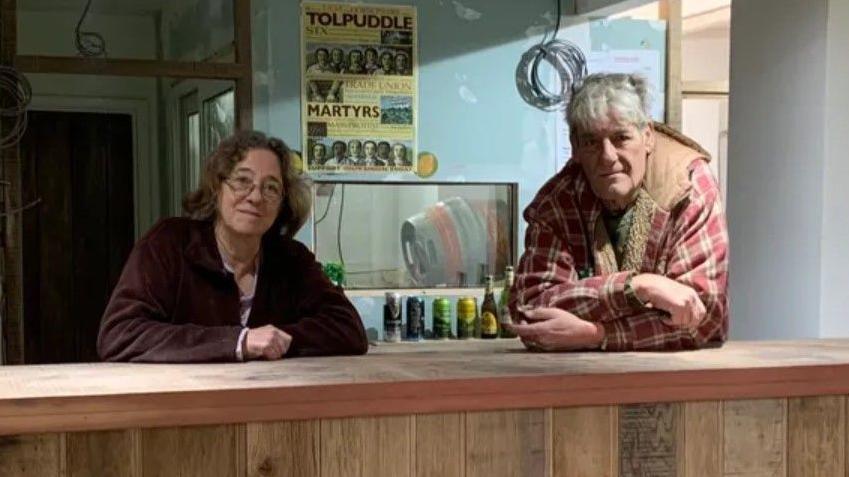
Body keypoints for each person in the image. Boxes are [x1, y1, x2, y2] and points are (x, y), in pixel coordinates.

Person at [97, 131, 368, 362]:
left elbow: (349, 329)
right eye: (242, 181)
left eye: (271, 188)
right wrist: (240, 342)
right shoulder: (168, 244)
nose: (255, 197)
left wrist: (277, 341)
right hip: (179, 408)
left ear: (282, 203)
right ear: (217, 188)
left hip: (265, 411)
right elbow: (119, 333)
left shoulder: (290, 258)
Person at [507, 73, 729, 352]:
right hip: (572, 383)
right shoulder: (557, 202)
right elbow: (531, 310)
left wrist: (595, 334)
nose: (608, 156)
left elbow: (705, 318)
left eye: (621, 138)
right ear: (574, 147)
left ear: (648, 136)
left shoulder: (689, 187)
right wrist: (637, 287)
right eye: (591, 142)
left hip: (673, 380)